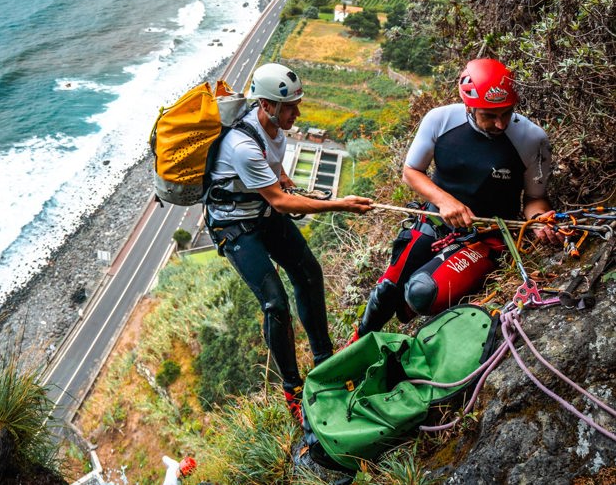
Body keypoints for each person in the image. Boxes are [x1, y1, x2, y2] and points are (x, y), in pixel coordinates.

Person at [349, 58, 562, 344]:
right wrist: (444, 201)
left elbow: (535, 198)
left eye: (506, 113)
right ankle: (355, 347)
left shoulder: (531, 139)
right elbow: (412, 171)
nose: (500, 123)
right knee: (387, 290)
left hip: (485, 238)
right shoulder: (440, 121)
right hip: (435, 221)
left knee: (421, 291)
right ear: (469, 106)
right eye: (489, 115)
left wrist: (538, 221)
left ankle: (411, 311)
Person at [204, 63, 373, 423]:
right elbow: (280, 201)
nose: (298, 112)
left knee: (308, 272)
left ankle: (327, 363)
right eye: (291, 107)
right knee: (275, 304)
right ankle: (293, 390)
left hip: (260, 213)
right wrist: (338, 204)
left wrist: (284, 178)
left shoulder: (273, 130)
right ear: (266, 105)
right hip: (235, 227)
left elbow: (276, 174)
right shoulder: (242, 146)